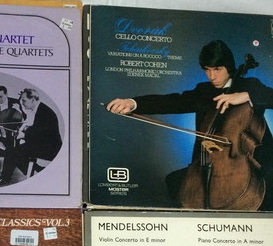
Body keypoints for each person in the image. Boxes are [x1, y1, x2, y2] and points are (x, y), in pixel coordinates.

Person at [107, 40, 273, 210]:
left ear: (228, 67)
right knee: (175, 181)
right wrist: (132, 103)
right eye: (207, 70)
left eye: (217, 69)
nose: (212, 76)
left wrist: (247, 95)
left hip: (256, 162)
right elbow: (171, 102)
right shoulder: (204, 91)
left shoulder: (249, 85)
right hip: (209, 162)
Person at [0, 87, 62, 185]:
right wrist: (25, 131)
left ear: (33, 100)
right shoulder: (40, 109)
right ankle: (37, 169)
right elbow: (38, 129)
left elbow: (39, 134)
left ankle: (6, 179)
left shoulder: (44, 112)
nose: (22, 103)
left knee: (12, 151)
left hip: (49, 148)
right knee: (15, 151)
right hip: (44, 144)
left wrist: (24, 135)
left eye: (24, 101)